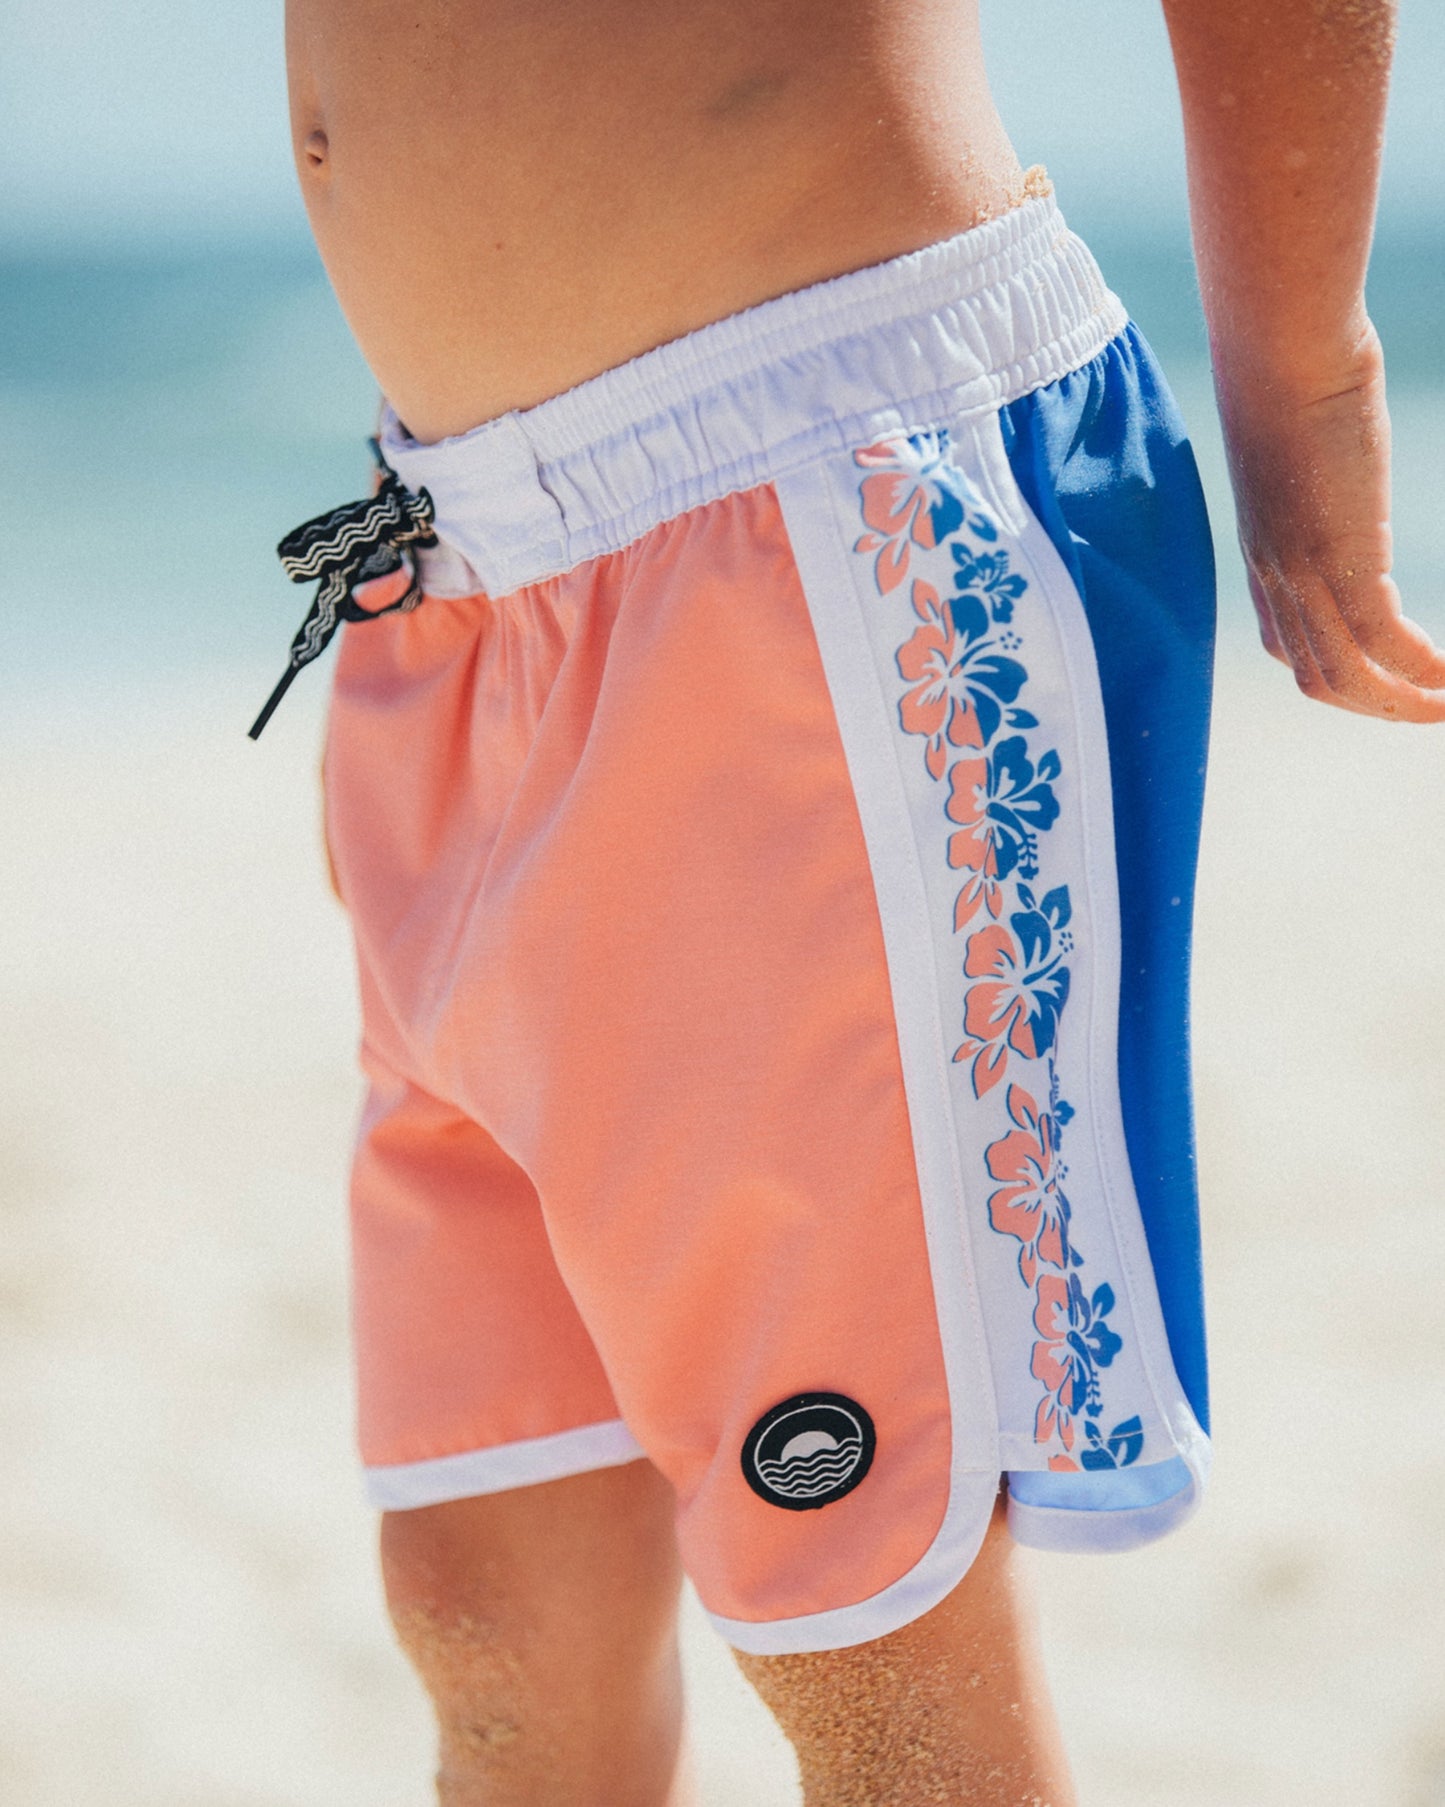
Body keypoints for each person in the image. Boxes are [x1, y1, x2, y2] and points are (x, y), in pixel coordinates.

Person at [262, 2, 1445, 1801]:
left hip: (821, 502)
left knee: (864, 1635)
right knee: (488, 1602)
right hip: (453, 566)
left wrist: (1305, 375)